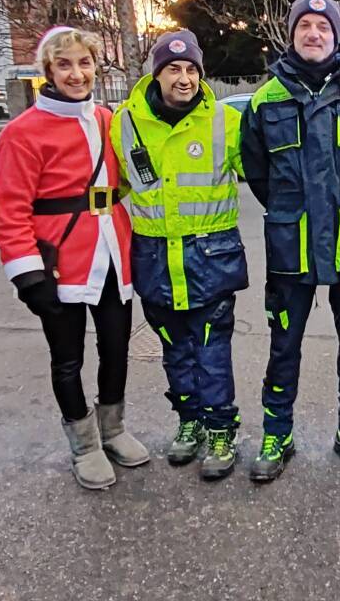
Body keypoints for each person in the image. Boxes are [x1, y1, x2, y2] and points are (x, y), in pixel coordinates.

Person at [240, 0, 340, 482]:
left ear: (336, 34)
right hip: (292, 248)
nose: (314, 33)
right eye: (304, 25)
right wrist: (291, 212)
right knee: (283, 346)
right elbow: (258, 172)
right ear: (292, 34)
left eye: (322, 26)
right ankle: (277, 433)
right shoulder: (266, 99)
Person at [0, 26, 148, 490]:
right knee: (67, 359)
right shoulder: (22, 133)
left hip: (112, 254)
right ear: (48, 72)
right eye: (65, 64)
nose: (76, 74)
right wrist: (28, 275)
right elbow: (9, 210)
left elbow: (134, 179)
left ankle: (113, 428)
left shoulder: (108, 120)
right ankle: (83, 444)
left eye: (84, 63)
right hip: (59, 263)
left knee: (116, 348)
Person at [110, 30, 248, 481]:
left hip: (211, 257)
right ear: (157, 73)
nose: (184, 78)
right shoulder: (125, 122)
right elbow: (116, 185)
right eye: (174, 69)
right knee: (174, 349)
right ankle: (189, 422)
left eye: (191, 69)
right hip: (154, 257)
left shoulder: (224, 122)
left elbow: (262, 169)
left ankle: (221, 429)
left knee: (211, 350)